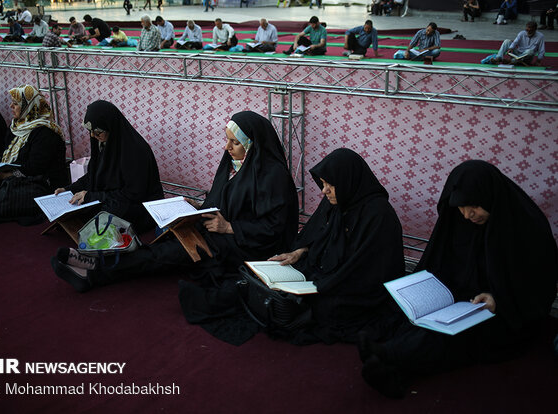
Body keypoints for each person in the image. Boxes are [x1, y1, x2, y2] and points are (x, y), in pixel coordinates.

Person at [359, 160, 558, 399]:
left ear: (490, 196)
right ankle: (390, 365)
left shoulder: (527, 227)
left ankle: (390, 356)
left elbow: (539, 286)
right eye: (461, 207)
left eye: (473, 206)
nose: (467, 215)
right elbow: (445, 264)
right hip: (466, 300)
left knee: (458, 334)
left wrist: (498, 298)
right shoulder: (461, 219)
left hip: (509, 313)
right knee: (421, 317)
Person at [51, 111, 299, 293]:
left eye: (235, 142)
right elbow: (219, 202)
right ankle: (95, 260)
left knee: (170, 252)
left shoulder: (273, 176)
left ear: (253, 145)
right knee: (168, 239)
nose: (227, 147)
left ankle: (94, 272)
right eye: (227, 140)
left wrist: (230, 227)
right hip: (218, 230)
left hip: (247, 243)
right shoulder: (233, 165)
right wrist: (193, 213)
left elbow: (276, 229)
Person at [267, 149, 405, 344]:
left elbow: (366, 269)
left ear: (348, 181)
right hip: (328, 270)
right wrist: (300, 251)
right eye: (323, 184)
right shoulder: (338, 201)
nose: (324, 191)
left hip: (358, 284)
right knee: (283, 279)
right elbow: (317, 234)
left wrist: (321, 286)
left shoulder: (378, 216)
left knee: (328, 307)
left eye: (330, 185)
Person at [53, 100, 163, 234]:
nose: (93, 136)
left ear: (111, 126)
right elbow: (93, 175)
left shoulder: (135, 151)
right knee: (80, 205)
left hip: (138, 205)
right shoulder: (106, 143)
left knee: (105, 212)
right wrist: (68, 189)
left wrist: (92, 196)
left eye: (98, 132)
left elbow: (133, 194)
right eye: (90, 131)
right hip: (113, 198)